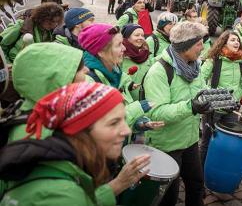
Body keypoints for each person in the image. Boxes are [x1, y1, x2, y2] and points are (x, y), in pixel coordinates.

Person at [0, 82, 151, 205]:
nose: (127, 131)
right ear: (80, 130)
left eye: (124, 119)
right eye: (113, 123)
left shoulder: (56, 167)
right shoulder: (59, 196)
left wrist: (118, 184)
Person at [143, 21, 210, 206]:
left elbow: (202, 92)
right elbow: (157, 112)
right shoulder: (159, 71)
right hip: (167, 145)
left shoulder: (195, 67)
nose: (202, 47)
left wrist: (216, 101)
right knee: (168, 197)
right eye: (199, 43)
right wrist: (191, 107)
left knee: (196, 185)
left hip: (189, 141)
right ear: (185, 46)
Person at [78, 23, 164, 131]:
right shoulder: (89, 82)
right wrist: (138, 108)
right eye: (119, 45)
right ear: (100, 51)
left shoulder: (117, 73)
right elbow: (101, 126)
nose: (124, 48)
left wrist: (140, 124)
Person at [7, 43, 89, 143]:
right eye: (79, 69)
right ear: (55, 80)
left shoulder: (49, 112)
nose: (87, 70)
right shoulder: (38, 137)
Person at [199, 30, 242, 165]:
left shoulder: (240, 61)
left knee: (226, 141)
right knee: (207, 140)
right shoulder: (214, 60)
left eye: (238, 40)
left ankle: (215, 166)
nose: (237, 42)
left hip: (232, 110)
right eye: (232, 40)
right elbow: (200, 81)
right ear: (224, 43)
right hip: (213, 110)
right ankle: (200, 171)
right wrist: (216, 99)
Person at [121, 24, 151, 101]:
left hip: (145, 99)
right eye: (137, 35)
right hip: (127, 101)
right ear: (127, 37)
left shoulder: (146, 53)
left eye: (142, 35)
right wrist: (128, 85)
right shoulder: (120, 55)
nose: (141, 38)